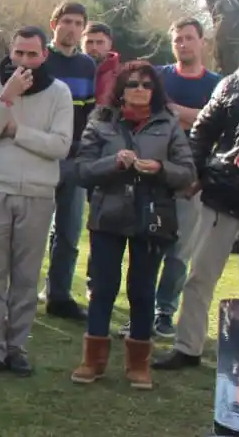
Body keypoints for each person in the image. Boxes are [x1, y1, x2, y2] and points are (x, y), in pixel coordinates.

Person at [155, 22, 239, 371]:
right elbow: (202, 131)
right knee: (199, 276)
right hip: (221, 193)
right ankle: (187, 348)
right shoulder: (232, 85)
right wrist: (196, 172)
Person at [71, 62, 194, 390]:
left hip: (152, 215)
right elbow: (82, 169)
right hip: (108, 212)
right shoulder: (101, 119)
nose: (140, 89)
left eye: (146, 84)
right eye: (133, 83)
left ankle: (138, 363)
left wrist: (159, 167)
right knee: (103, 288)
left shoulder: (168, 122)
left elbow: (187, 172)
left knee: (142, 289)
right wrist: (113, 163)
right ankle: (92, 359)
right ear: (121, 88)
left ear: (155, 91)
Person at [0, 26, 73, 378]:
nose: (24, 61)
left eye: (32, 54)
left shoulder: (59, 93)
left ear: (45, 55)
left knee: (26, 277)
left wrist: (17, 132)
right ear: (10, 51)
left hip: (38, 194)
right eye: (18, 54)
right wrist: (7, 98)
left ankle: (17, 347)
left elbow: (60, 146)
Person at [137, 17, 223, 338]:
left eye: (189, 38)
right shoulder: (157, 77)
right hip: (152, 173)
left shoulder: (217, 84)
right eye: (178, 40)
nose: (183, 44)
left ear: (202, 42)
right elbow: (145, 113)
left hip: (192, 179)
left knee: (179, 251)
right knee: (147, 245)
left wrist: (177, 112)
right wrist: (196, 117)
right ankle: (140, 312)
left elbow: (218, 125)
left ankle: (164, 312)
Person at [41, 2, 98, 322]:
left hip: (74, 160)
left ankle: (58, 295)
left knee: (69, 233)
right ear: (54, 24)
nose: (72, 28)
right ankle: (19, 291)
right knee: (31, 231)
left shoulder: (87, 65)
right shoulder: (40, 60)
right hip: (42, 157)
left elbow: (89, 113)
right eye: (66, 21)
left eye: (78, 23)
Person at [83, 22, 119, 106]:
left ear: (109, 44)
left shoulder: (121, 74)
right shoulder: (73, 70)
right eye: (89, 42)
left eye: (100, 42)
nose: (94, 47)